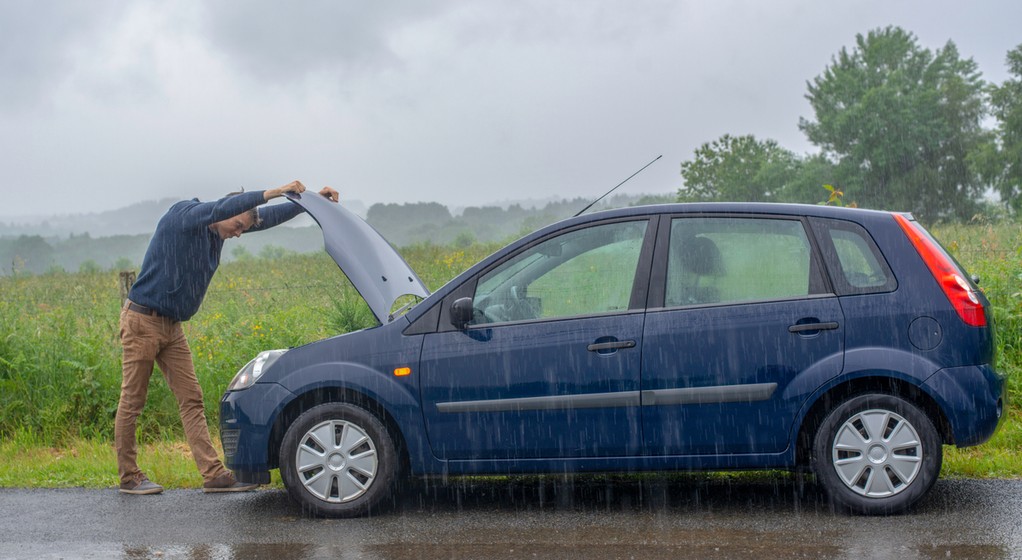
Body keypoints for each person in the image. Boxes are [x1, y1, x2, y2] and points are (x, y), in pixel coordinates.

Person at [116, 180, 340, 495]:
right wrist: (274, 191)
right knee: (133, 402)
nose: (237, 233)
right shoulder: (184, 215)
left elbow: (266, 220)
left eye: (242, 229)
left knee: (191, 399)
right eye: (237, 226)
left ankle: (214, 475)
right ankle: (129, 477)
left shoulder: (219, 230)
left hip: (172, 327)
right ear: (228, 211)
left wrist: (310, 202)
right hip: (142, 321)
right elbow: (223, 209)